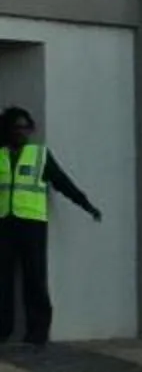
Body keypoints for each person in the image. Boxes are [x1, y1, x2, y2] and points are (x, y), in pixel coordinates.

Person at [0, 106, 101, 347]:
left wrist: (85, 204)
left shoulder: (40, 155)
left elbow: (62, 182)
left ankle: (37, 334)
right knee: (3, 280)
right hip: (4, 224)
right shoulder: (0, 155)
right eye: (17, 127)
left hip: (32, 224)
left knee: (34, 277)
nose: (22, 132)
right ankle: (3, 330)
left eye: (26, 127)